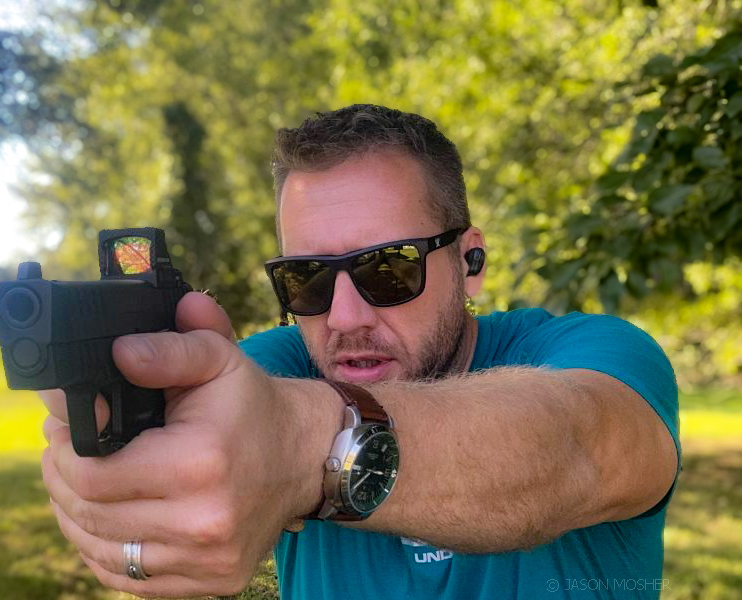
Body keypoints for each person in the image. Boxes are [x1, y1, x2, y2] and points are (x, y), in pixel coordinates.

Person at [40, 104, 680, 599]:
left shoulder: (598, 351)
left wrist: (304, 443)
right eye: (307, 279)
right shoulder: (281, 369)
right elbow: (199, 427)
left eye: (389, 269)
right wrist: (128, 450)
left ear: (470, 260)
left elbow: (571, 446)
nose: (345, 316)